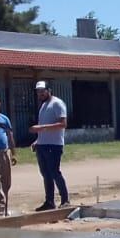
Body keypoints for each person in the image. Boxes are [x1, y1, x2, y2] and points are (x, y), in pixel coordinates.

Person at [30, 80, 70, 211]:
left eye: (42, 91)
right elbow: (44, 128)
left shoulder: (57, 103)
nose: (40, 94)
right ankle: (49, 201)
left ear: (49, 90)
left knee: (54, 172)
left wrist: (41, 128)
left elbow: (63, 124)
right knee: (45, 174)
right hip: (42, 144)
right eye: (38, 92)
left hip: (54, 145)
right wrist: (38, 140)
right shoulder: (43, 105)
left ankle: (65, 200)